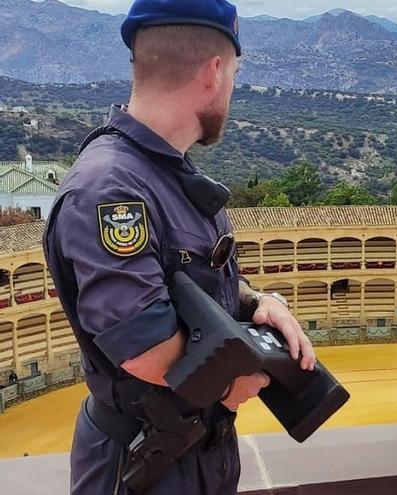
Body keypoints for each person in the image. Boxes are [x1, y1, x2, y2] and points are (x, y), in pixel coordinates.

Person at [42, 1, 317, 494]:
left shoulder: (163, 175)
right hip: (146, 461)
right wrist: (233, 385)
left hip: (192, 450)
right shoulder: (112, 190)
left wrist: (256, 303)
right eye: (234, 72)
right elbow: (144, 345)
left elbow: (188, 282)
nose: (232, 87)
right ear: (214, 72)